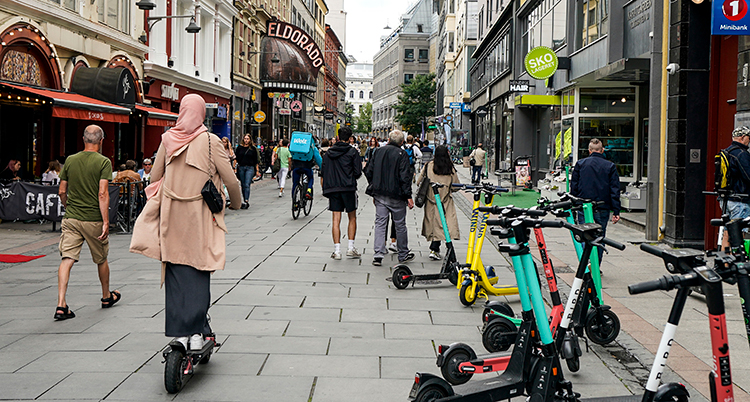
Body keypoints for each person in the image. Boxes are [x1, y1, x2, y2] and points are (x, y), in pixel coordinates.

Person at [129, 94, 242, 351]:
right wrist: (235, 203)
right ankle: (197, 334)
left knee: (175, 271)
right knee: (199, 270)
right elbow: (232, 181)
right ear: (202, 113)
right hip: (200, 216)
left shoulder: (167, 140)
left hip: (172, 216)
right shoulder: (211, 142)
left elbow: (154, 177)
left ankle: (179, 333)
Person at [55, 125, 120, 321]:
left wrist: (68, 207)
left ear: (83, 139)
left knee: (67, 258)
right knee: (101, 258)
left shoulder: (70, 160)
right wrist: (106, 222)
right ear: (101, 141)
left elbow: (62, 191)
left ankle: (61, 304)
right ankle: (106, 296)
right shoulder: (103, 162)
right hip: (93, 218)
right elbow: (102, 193)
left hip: (72, 218)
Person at [365, 130, 415, 266]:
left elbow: (368, 170)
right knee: (400, 225)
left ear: (388, 139)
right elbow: (405, 177)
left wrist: (373, 185)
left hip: (380, 193)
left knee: (380, 223)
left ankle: (378, 254)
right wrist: (408, 196)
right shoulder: (402, 154)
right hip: (397, 195)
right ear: (401, 142)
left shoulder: (378, 152)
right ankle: (403, 253)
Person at [570, 138, 621, 262]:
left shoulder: (580, 164)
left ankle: (585, 262)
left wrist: (573, 205)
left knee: (584, 235)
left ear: (589, 150)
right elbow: (614, 190)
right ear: (602, 150)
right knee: (599, 236)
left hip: (584, 205)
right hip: (602, 206)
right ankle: (596, 265)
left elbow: (574, 187)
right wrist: (616, 211)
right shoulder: (610, 166)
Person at [322, 126, 363, 260]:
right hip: (348, 188)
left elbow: (324, 172)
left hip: (333, 188)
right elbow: (357, 172)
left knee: (335, 219)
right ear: (350, 138)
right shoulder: (353, 152)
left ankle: (337, 250)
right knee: (352, 217)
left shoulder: (328, 153)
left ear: (338, 137)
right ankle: (350, 248)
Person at [418, 145, 461, 260]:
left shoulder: (428, 166)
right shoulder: (450, 168)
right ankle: (442, 247)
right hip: (445, 200)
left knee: (433, 224)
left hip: (431, 199)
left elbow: (419, 181)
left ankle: (435, 248)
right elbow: (456, 186)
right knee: (445, 223)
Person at [290, 135, 323, 201]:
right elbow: (318, 159)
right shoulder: (312, 147)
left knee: (295, 183)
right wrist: (322, 168)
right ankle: (308, 190)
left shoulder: (296, 146)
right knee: (310, 178)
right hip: (307, 166)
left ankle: (294, 202)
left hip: (296, 166)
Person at [236, 134, 261, 209]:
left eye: (247, 139)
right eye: (245, 139)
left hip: (250, 167)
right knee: (243, 184)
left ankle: (246, 200)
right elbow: (236, 158)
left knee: (247, 184)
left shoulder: (253, 149)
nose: (246, 140)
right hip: (241, 167)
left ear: (250, 140)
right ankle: (244, 198)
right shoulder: (239, 148)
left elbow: (256, 160)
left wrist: (257, 170)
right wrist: (234, 167)